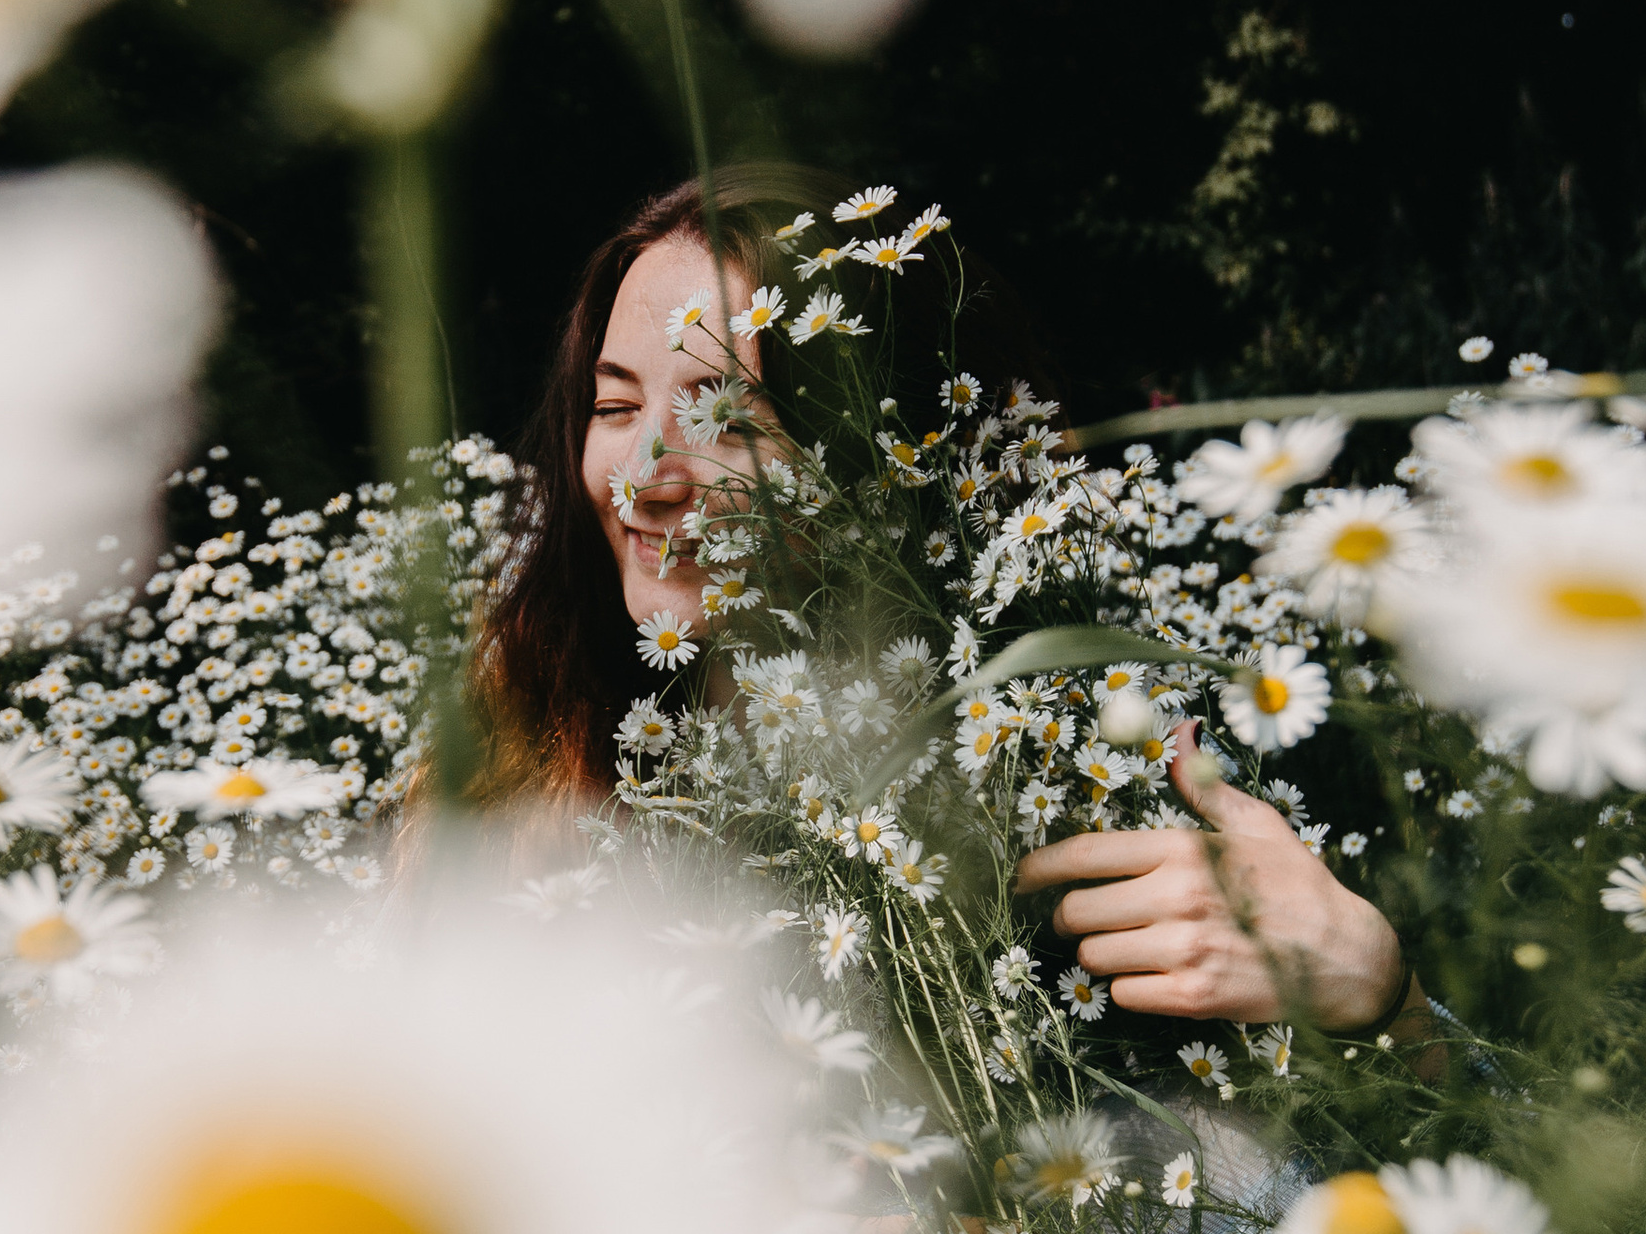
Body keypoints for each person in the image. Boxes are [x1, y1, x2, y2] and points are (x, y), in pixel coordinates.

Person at [475, 169, 1423, 1040]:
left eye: (723, 412)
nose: (643, 478)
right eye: (614, 408)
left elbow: (1443, 1138)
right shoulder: (531, 761)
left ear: (894, 454)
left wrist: (1374, 990)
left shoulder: (1073, 772)